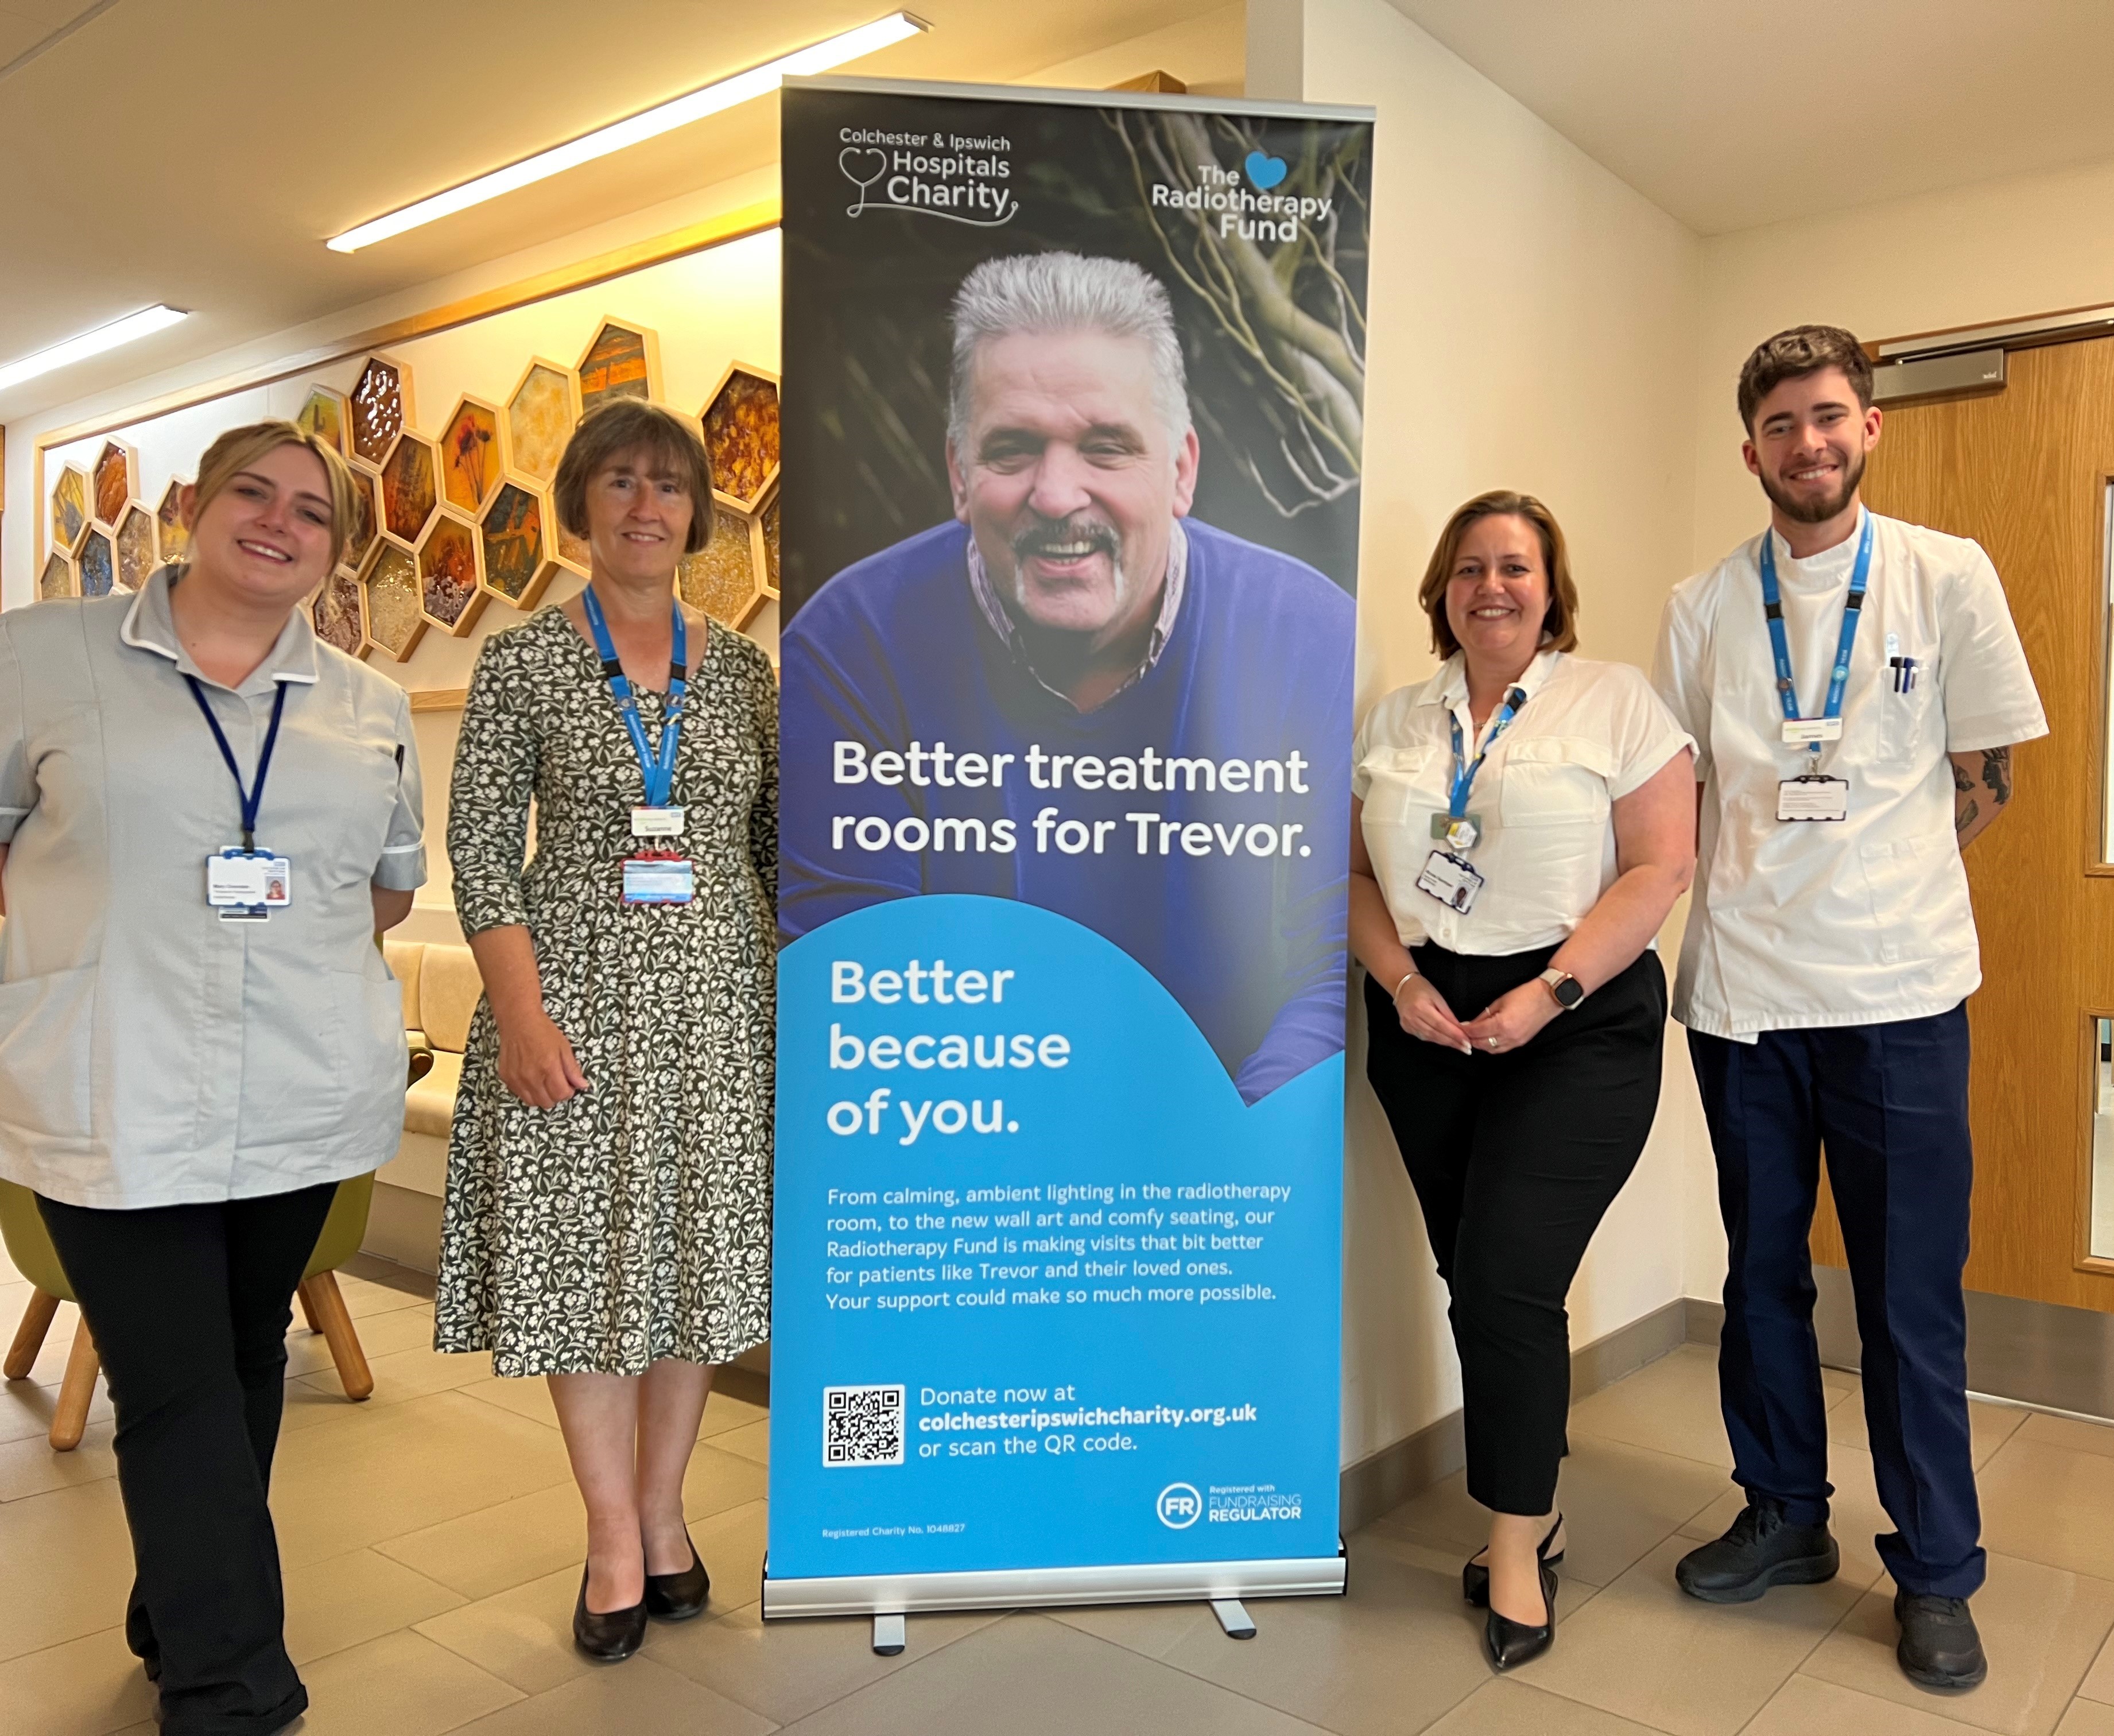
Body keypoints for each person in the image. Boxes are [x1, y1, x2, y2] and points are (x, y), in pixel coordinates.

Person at [0, 420, 426, 1734]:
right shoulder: (37, 657)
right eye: (256, 491)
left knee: (243, 1356)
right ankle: (231, 1685)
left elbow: (385, 892)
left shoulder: (368, 702)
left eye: (314, 513)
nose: (279, 522)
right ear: (193, 501)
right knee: (177, 1380)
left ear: (333, 555)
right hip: (111, 1088)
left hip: (301, 1096)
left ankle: (172, 1606)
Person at [1655, 326, 2046, 1692]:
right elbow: (1678, 797)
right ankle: (1784, 1515)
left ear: (1868, 428)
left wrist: (1880, 878)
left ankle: (1936, 1568)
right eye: (1780, 424)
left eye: (1830, 417)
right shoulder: (1703, 605)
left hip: (1900, 995)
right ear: (1749, 448)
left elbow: (1983, 778)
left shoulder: (1947, 575)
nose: (1807, 443)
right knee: (1762, 1279)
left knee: (1907, 1299)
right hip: (1744, 1000)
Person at [779, 250, 1355, 1103]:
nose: (1056, 495)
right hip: (963, 1153)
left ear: (1182, 471)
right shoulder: (847, 643)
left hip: (1230, 1172)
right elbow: (861, 974)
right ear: (958, 475)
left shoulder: (1311, 636)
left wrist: (1230, 1155)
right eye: (1012, 450)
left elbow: (1328, 965)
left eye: (1106, 447)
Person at [433, 397, 776, 1663]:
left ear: (699, 511)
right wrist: (518, 1016)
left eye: (671, 486)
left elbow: (772, 852)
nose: (646, 506)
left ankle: (669, 1511)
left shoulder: (742, 668)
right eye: (621, 483)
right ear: (580, 507)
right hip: (566, 1013)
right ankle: (612, 1538)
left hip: (719, 1023)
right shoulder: (523, 661)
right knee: (584, 1279)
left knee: (690, 1273)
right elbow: (479, 848)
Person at [1352, 490, 1695, 1671]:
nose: (1491, 586)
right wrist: (1399, 983)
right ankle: (1533, 1502)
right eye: (1469, 568)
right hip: (1425, 1019)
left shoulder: (1617, 702)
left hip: (1575, 1016)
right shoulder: (1400, 717)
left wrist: (1548, 992)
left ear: (1552, 587)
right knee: (1477, 1276)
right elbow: (1351, 876)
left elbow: (1661, 867)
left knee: (1504, 1277)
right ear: (1441, 589)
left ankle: (1514, 1549)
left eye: (1516, 566)